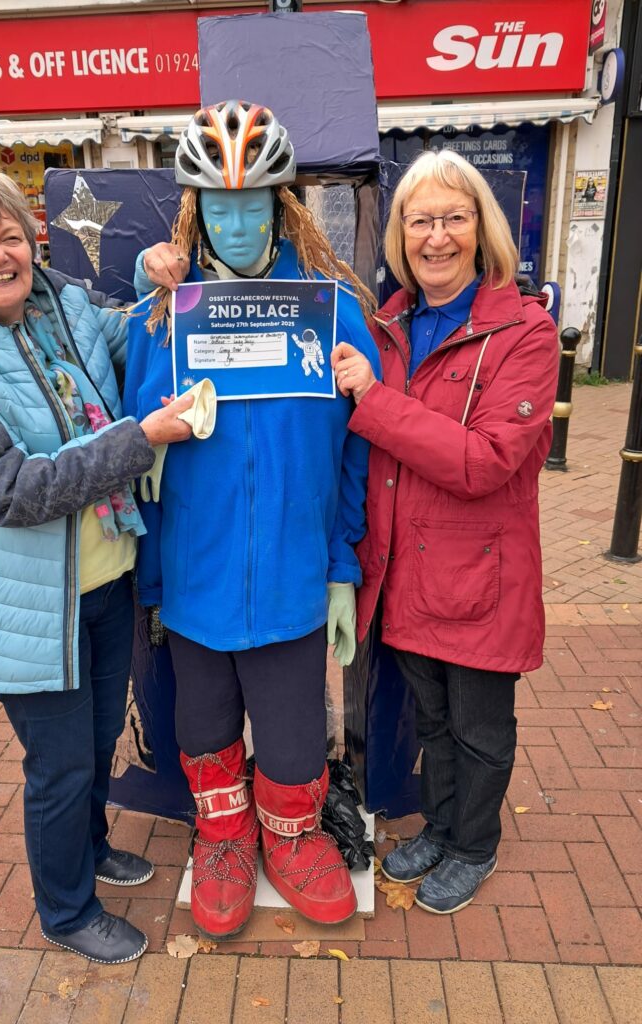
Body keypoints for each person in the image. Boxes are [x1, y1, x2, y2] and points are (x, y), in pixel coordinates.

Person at [0, 163, 194, 964]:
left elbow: (127, 335)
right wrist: (138, 440)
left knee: (97, 740)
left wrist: (152, 280)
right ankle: (66, 910)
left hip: (106, 577)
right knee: (58, 766)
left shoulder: (60, 298)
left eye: (10, 236)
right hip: (30, 601)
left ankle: (90, 849)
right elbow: (10, 491)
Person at [125, 100, 381, 938]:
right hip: (195, 578)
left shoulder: (332, 312)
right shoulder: (163, 318)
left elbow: (356, 453)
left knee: (295, 730)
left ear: (282, 205)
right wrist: (154, 579)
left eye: (254, 204)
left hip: (293, 577)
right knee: (201, 725)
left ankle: (293, 835)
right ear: (196, 211)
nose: (237, 225)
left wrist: (341, 567)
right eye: (220, 207)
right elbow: (138, 456)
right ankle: (225, 837)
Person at [331, 148, 559, 914]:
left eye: (453, 218)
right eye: (420, 220)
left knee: (479, 729)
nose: (436, 237)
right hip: (404, 572)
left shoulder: (525, 333)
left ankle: (473, 845)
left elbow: (484, 461)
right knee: (431, 720)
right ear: (401, 234)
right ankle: (441, 825)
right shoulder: (387, 325)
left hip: (480, 579)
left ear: (481, 228)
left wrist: (374, 401)